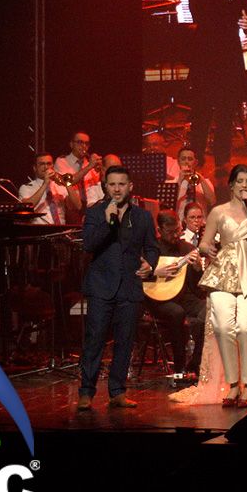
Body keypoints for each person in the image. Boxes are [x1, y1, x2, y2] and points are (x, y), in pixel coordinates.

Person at [78, 166, 160, 411]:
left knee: (125, 342)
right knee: (95, 341)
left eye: (121, 184)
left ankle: (117, 391)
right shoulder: (95, 213)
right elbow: (89, 245)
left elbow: (153, 248)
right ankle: (86, 392)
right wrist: (108, 222)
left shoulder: (142, 217)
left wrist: (150, 264)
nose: (116, 189)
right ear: (105, 186)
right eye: (112, 184)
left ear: (130, 186)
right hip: (102, 286)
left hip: (129, 286)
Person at [196, 165, 247, 407]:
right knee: (222, 326)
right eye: (240, 181)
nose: (244, 185)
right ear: (231, 185)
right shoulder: (218, 211)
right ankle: (233, 385)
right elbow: (204, 242)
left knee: (246, 327)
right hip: (223, 271)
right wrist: (205, 248)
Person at [179, 0, 247, 181]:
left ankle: (223, 160)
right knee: (202, 111)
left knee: (226, 111)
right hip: (205, 58)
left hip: (230, 57)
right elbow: (202, 15)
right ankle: (198, 158)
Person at [144, 211, 205, 385]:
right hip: (158, 298)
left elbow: (197, 286)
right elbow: (135, 273)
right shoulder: (151, 249)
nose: (175, 235)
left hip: (184, 296)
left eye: (177, 230)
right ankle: (179, 368)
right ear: (159, 230)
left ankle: (195, 362)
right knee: (176, 313)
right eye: (170, 232)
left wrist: (197, 268)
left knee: (209, 309)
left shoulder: (187, 248)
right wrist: (155, 272)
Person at [19, 153, 78, 225]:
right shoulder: (26, 188)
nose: (46, 167)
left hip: (61, 231)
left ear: (52, 166)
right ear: (35, 168)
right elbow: (25, 208)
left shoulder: (60, 186)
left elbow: (78, 205)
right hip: (40, 232)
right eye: (42, 164)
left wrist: (67, 184)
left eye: (49, 164)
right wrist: (45, 183)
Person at [175, 147, 217, 215]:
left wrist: (201, 179)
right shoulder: (172, 182)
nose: (186, 162)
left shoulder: (205, 182)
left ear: (195, 162)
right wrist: (179, 182)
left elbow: (212, 201)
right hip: (179, 223)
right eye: (183, 159)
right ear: (178, 161)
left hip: (200, 223)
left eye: (190, 159)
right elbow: (169, 204)